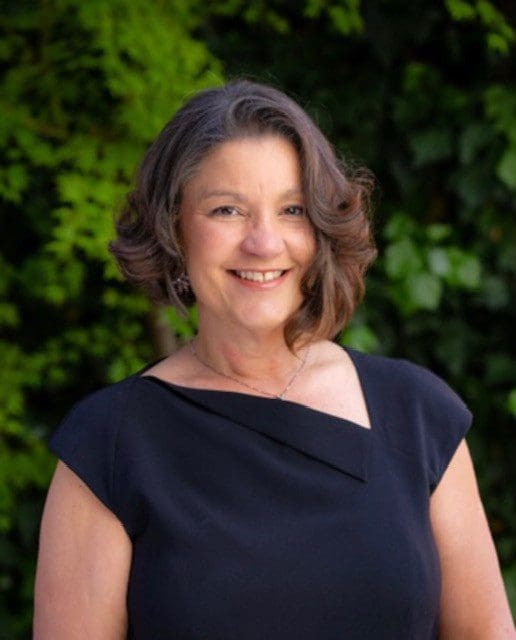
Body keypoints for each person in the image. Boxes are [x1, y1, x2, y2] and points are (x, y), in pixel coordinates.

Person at [33, 80, 515, 640]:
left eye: (291, 209)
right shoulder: (107, 447)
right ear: (174, 229)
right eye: (227, 210)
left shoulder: (417, 413)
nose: (264, 243)